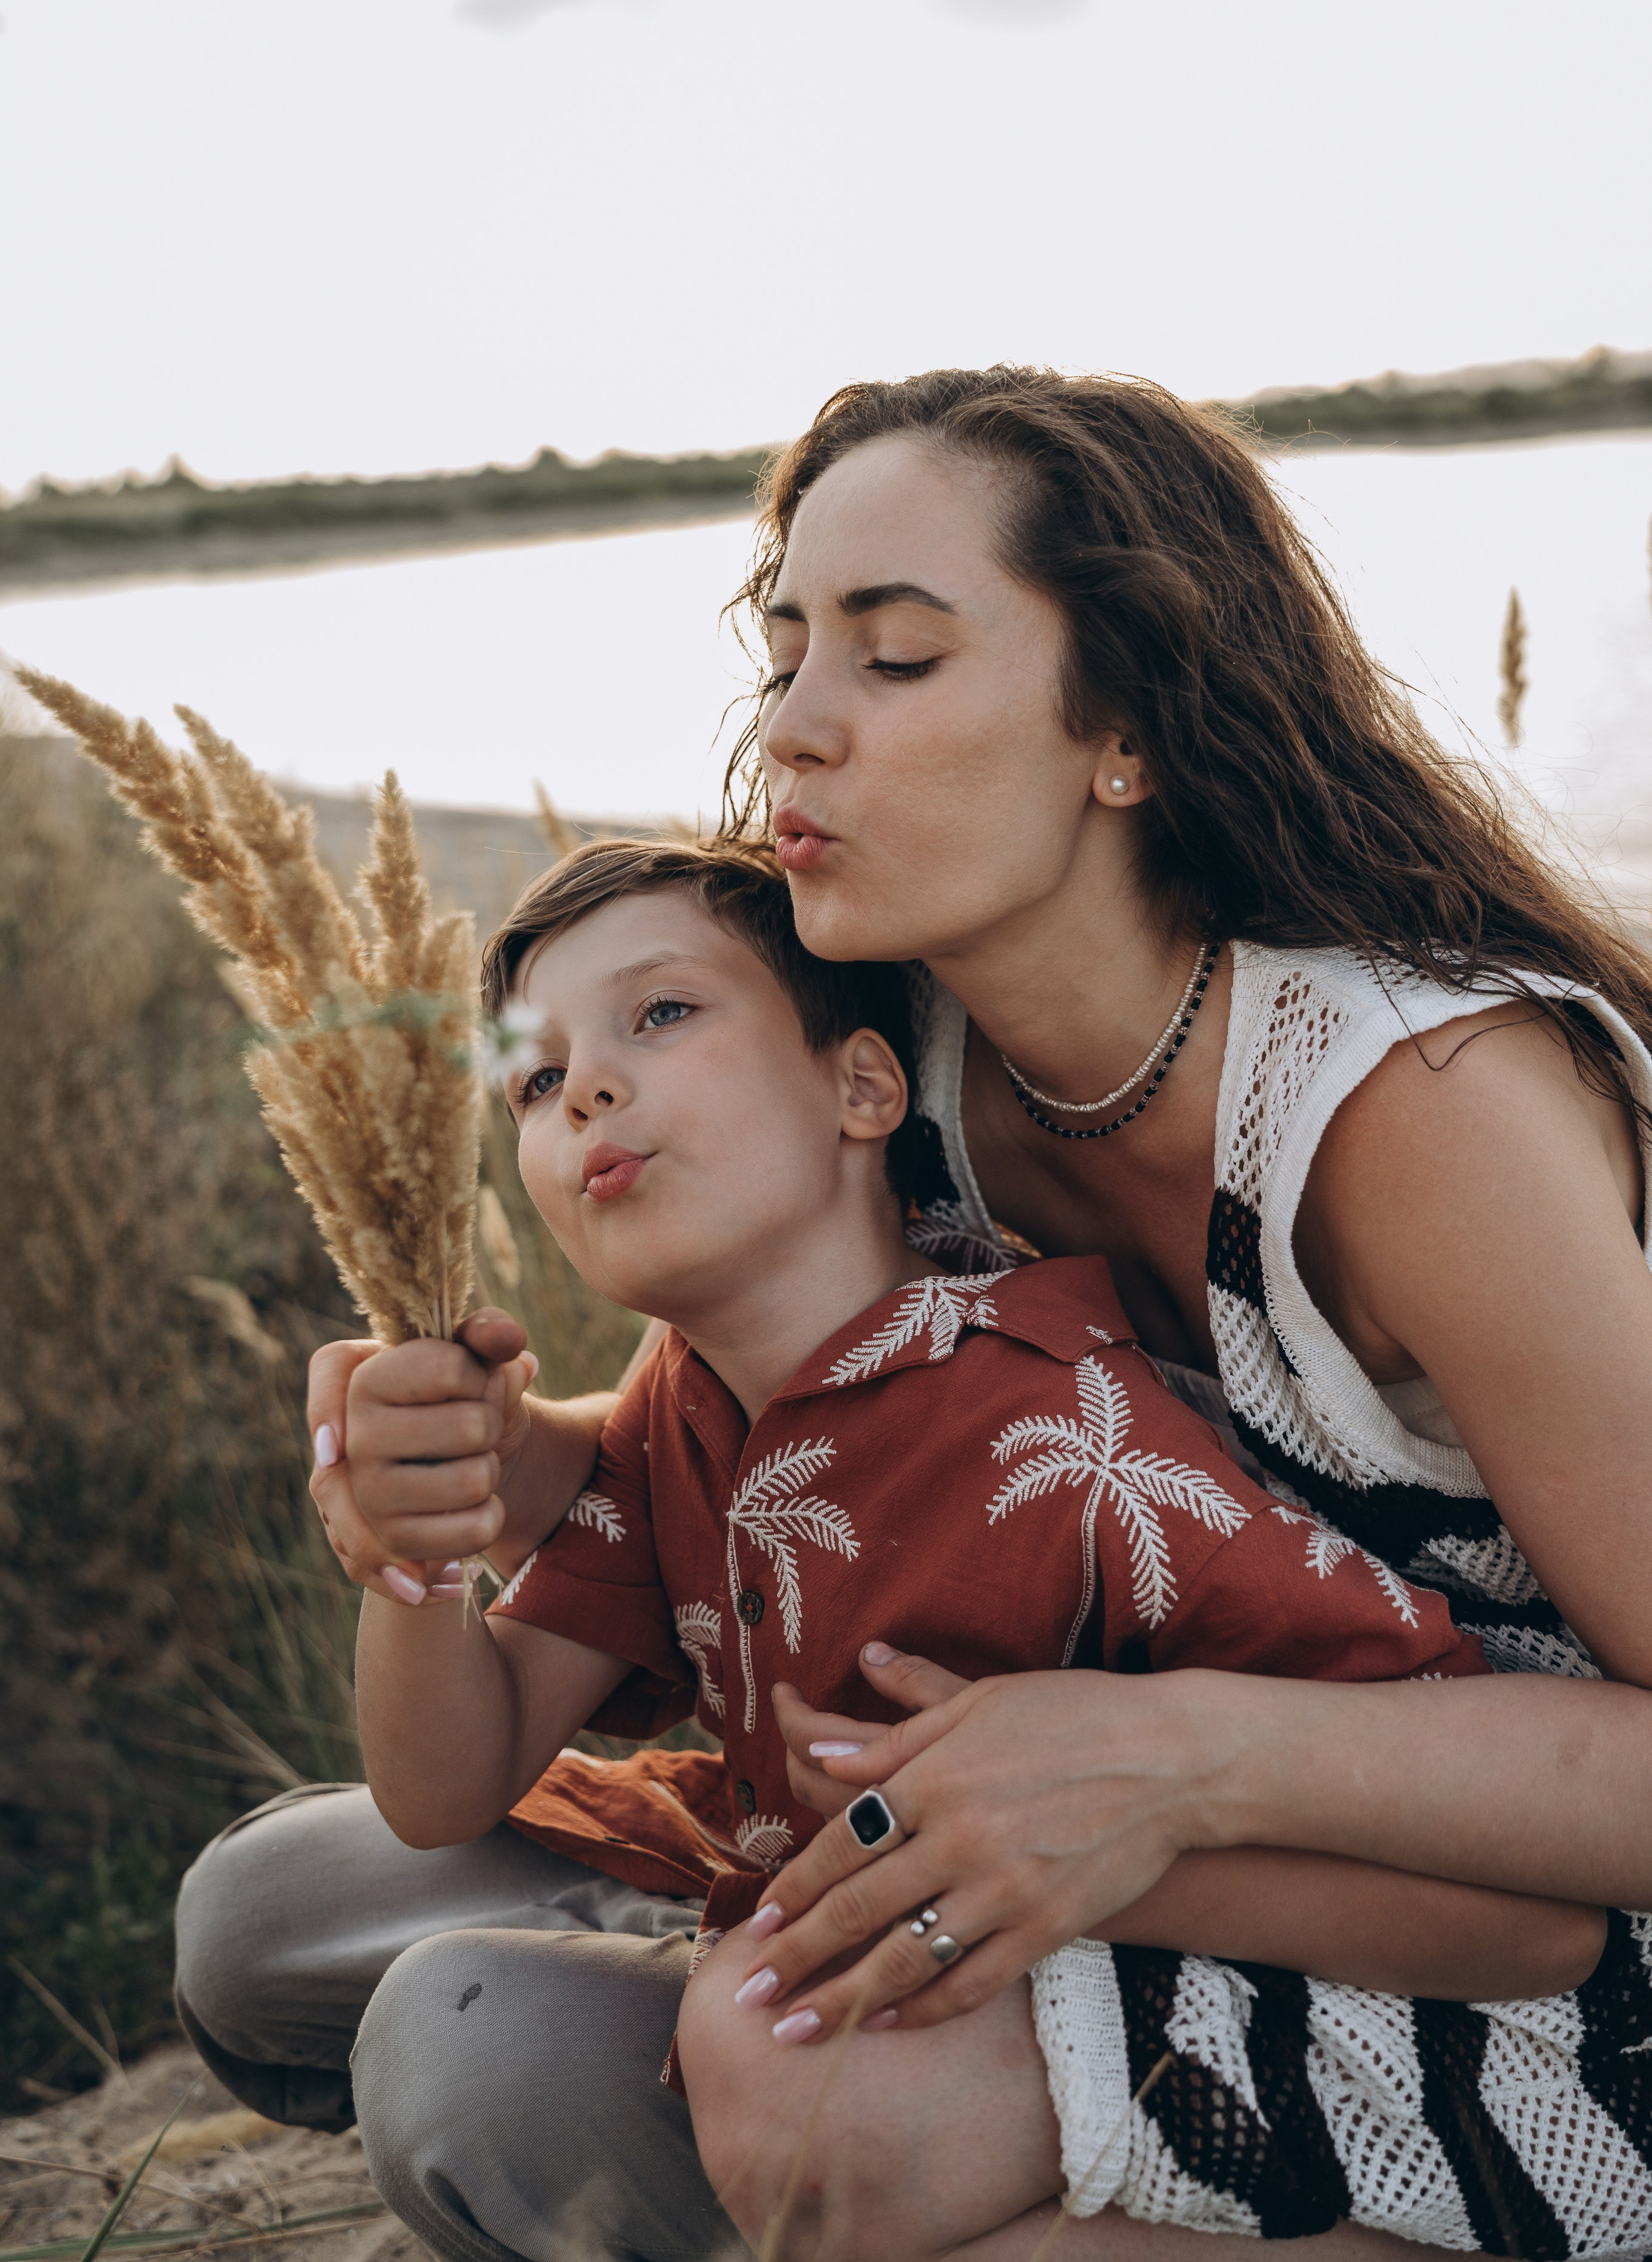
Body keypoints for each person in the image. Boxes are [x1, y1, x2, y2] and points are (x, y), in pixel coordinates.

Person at [175, 366, 1652, 2261]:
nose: (791, 728)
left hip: (1485, 1889)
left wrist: (1172, 1763)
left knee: (502, 2071)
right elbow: (758, 1475)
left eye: (893, 660)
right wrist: (473, 1474)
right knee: (272, 1922)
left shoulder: (1416, 1117)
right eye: (784, 650)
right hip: (1030, 1792)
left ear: (1121, 726)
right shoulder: (910, 1055)